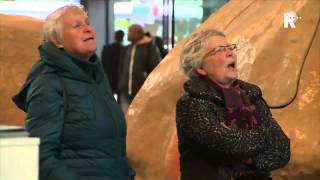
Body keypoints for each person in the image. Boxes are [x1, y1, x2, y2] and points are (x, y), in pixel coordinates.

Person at [12, 5, 134, 180]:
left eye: (87, 23)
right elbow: (42, 155)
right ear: (57, 41)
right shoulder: (48, 84)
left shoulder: (97, 77)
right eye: (77, 25)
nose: (88, 28)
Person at [176, 29, 290, 180]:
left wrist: (251, 159)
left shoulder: (252, 96)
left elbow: (282, 150)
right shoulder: (191, 103)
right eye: (219, 50)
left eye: (230, 48)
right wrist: (266, 135)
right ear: (200, 68)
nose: (230, 53)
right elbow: (228, 143)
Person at [118, 24, 160, 112]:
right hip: (125, 92)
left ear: (137, 33)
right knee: (125, 121)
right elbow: (121, 68)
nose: (127, 34)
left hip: (141, 92)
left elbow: (154, 69)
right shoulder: (127, 48)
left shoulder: (149, 48)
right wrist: (121, 84)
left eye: (129, 32)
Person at [101, 30, 124, 101]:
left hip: (107, 77)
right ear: (122, 37)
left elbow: (102, 62)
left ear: (114, 37)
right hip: (118, 78)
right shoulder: (124, 49)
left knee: (108, 99)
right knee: (119, 100)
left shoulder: (106, 48)